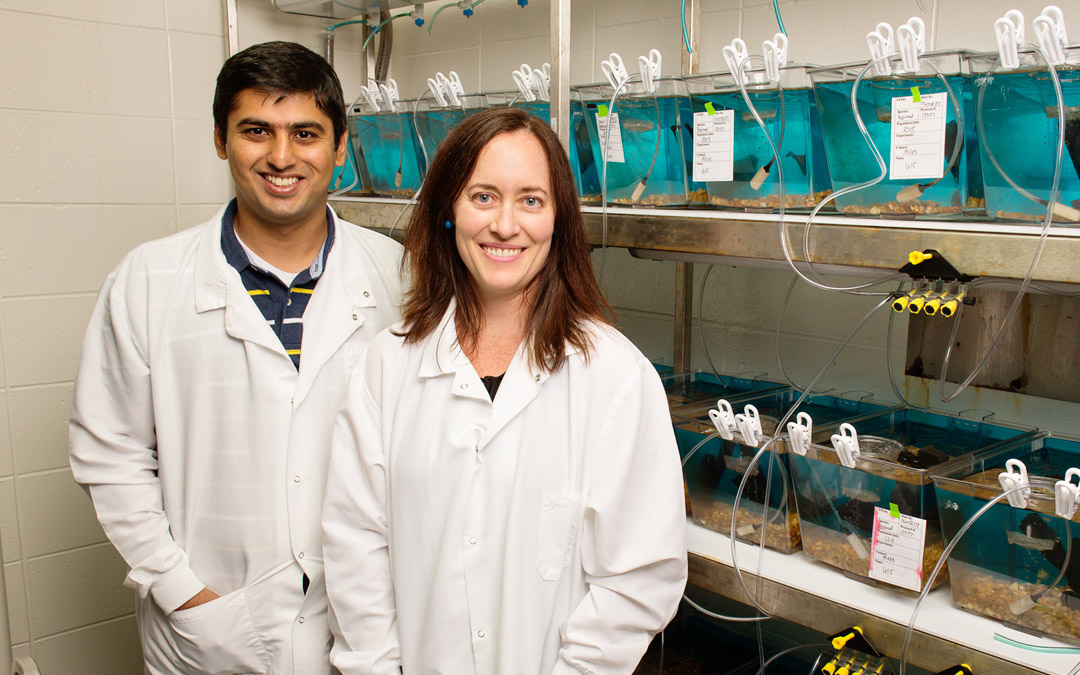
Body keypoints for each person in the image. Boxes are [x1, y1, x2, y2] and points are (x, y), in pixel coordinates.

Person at [68, 41, 403, 674]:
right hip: (210, 628)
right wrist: (182, 592)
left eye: (306, 132)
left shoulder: (398, 276)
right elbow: (108, 453)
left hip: (364, 625)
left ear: (339, 146)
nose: (282, 157)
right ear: (222, 140)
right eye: (256, 131)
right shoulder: (148, 279)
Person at [322, 107, 688, 674]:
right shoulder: (388, 364)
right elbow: (357, 548)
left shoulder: (614, 375)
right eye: (483, 196)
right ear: (448, 211)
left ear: (558, 220)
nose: (505, 225)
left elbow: (637, 576)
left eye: (531, 200)